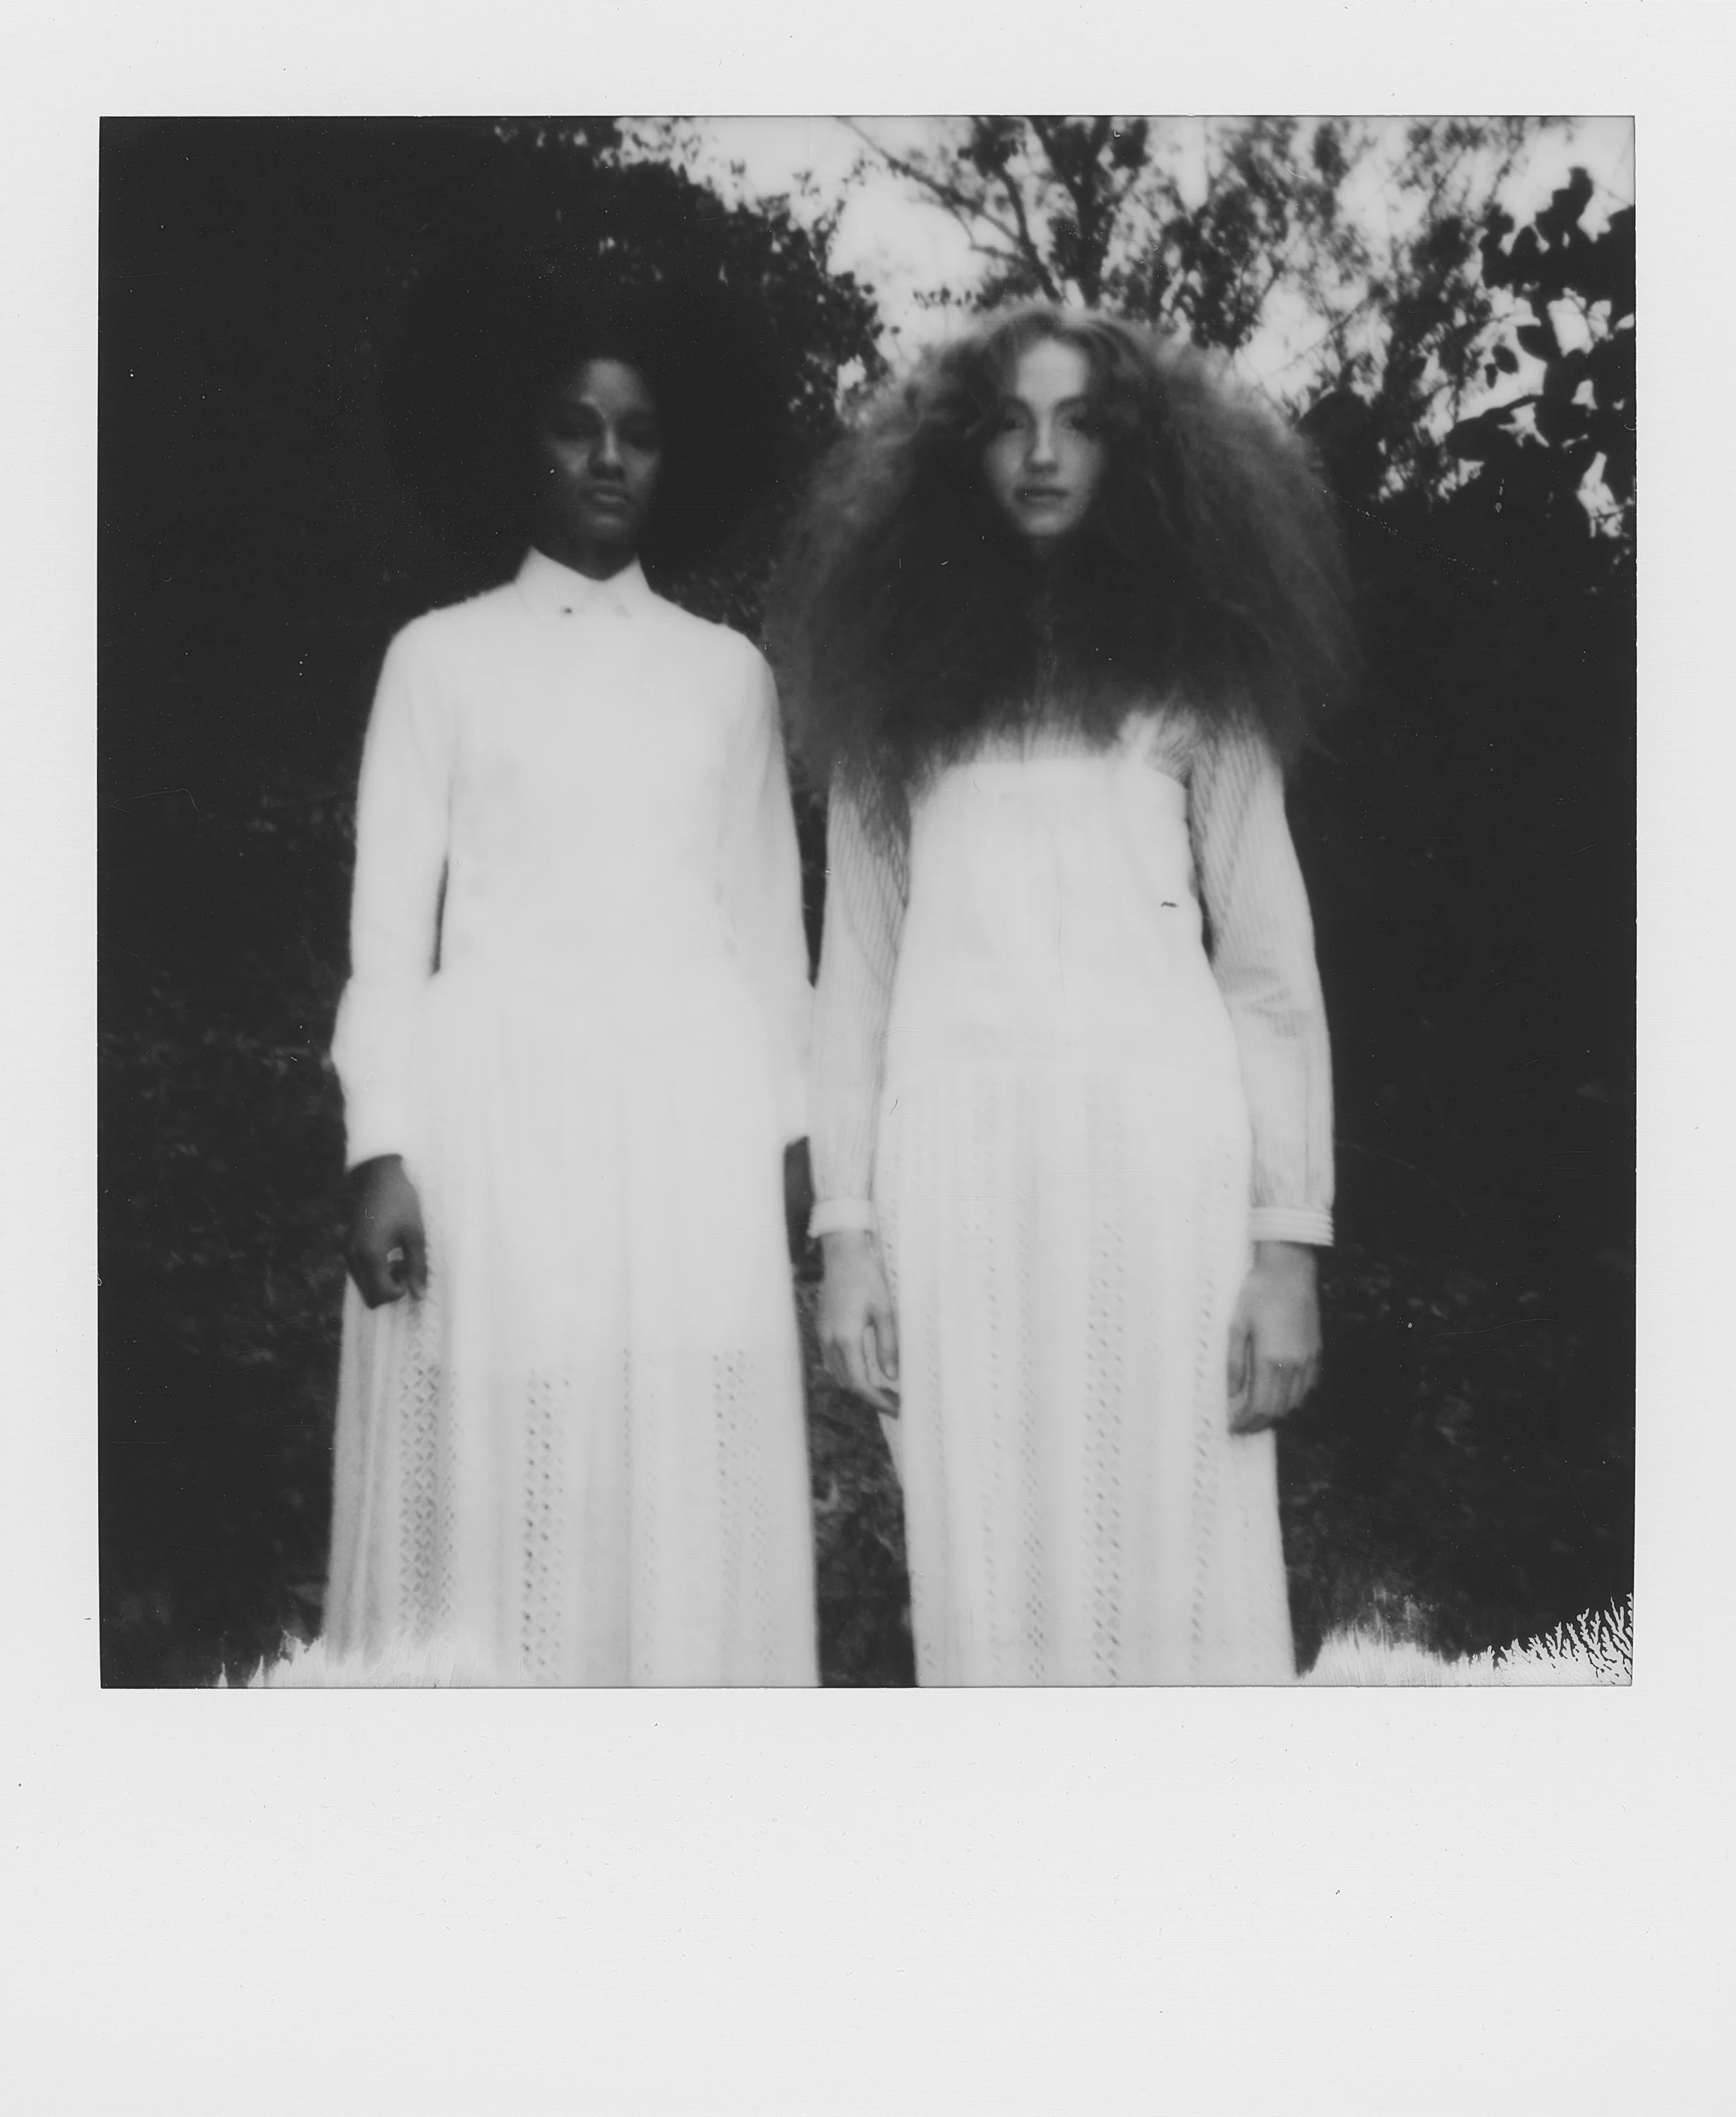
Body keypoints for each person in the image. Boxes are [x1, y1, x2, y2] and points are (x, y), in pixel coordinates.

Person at [768, 306, 1355, 1685]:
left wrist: (1286, 1247)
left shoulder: (1196, 674)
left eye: (1081, 421)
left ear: (1138, 456)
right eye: (1009, 424)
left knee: (1179, 1567)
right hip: (954, 1178)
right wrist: (847, 1233)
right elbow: (854, 971)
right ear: (952, 459)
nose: (1042, 454)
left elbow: (1267, 973)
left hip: (1165, 1179)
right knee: (991, 1572)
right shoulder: (895, 694)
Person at [323, 258, 818, 1684]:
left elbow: (769, 931)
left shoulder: (729, 674)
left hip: (687, 1127)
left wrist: (794, 1138)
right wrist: (381, 1147)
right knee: (503, 1458)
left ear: (679, 456)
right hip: (498, 1118)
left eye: (640, 431)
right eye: (573, 424)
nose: (608, 456)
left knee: (674, 1466)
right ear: (518, 442)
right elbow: (386, 936)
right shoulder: (438, 660)